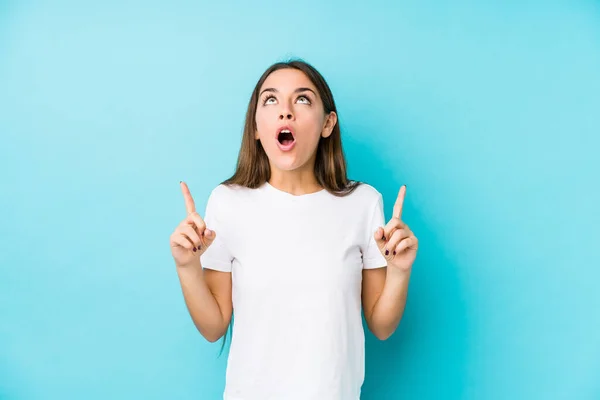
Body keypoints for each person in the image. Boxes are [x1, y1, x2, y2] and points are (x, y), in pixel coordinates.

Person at [170, 59, 419, 400]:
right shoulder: (227, 202)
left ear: (327, 123)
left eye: (302, 99)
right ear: (256, 126)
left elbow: (381, 325)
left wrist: (400, 272)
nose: (285, 112)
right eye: (270, 100)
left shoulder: (363, 203)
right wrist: (187, 267)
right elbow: (213, 327)